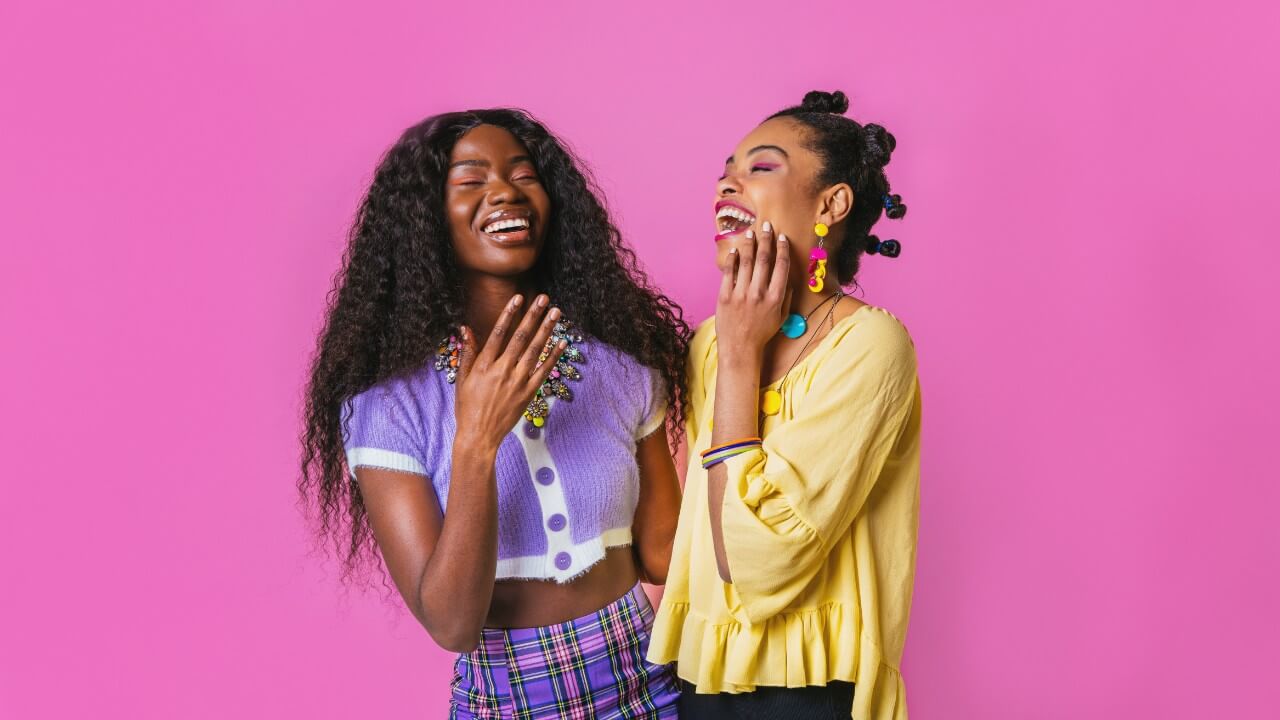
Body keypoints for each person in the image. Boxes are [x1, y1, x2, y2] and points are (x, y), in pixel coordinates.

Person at [299, 108, 686, 718]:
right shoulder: (389, 406)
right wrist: (476, 440)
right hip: (507, 702)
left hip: (654, 685)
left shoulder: (622, 366)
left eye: (523, 175)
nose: (505, 191)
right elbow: (451, 623)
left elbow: (666, 553)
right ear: (425, 218)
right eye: (471, 180)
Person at [648, 90, 922, 720]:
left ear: (831, 203)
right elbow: (699, 531)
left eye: (760, 167)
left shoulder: (870, 346)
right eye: (726, 170)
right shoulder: (711, 341)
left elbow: (757, 564)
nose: (727, 181)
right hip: (703, 679)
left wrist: (744, 356)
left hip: (813, 694)